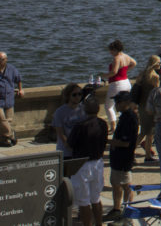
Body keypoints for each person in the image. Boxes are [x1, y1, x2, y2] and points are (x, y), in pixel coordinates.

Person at [67, 96, 108, 226]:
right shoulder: (103, 124)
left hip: (82, 164)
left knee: (84, 201)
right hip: (97, 162)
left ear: (84, 109)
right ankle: (99, 223)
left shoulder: (80, 126)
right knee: (96, 198)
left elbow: (71, 144)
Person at [106, 90, 139, 221]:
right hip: (118, 157)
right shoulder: (124, 116)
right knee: (116, 183)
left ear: (126, 103)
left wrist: (107, 141)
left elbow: (126, 143)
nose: (116, 105)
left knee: (126, 184)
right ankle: (117, 208)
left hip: (124, 157)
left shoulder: (130, 118)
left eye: (118, 102)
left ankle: (127, 211)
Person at [103, 40, 137, 126]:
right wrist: (126, 71)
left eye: (111, 50)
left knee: (109, 106)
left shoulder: (116, 58)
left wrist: (104, 75)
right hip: (126, 82)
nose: (110, 52)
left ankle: (113, 126)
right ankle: (124, 123)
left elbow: (114, 72)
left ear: (115, 49)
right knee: (124, 105)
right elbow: (134, 63)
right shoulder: (125, 56)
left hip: (116, 84)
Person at [134, 55, 161, 162]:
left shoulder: (142, 74)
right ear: (154, 64)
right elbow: (158, 94)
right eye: (159, 63)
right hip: (150, 108)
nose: (160, 64)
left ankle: (134, 151)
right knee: (149, 132)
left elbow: (136, 88)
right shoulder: (155, 77)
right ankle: (147, 155)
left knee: (144, 131)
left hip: (141, 106)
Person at [52, 83, 86, 158]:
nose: (77, 97)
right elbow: (60, 133)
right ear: (68, 96)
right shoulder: (59, 112)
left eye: (80, 94)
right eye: (74, 95)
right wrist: (69, 145)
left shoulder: (84, 109)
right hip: (65, 152)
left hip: (81, 151)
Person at [0, 51, 24, 146]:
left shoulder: (12, 69)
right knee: (2, 120)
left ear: (6, 60)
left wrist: (20, 90)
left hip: (9, 98)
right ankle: (11, 135)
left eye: (1, 60)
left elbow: (19, 79)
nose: (0, 62)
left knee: (9, 120)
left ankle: (4, 140)